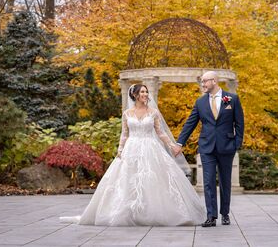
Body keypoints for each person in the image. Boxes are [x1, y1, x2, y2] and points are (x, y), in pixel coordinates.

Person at [60, 84, 205, 226]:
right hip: (132, 148)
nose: (145, 94)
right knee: (127, 180)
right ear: (135, 95)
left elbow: (160, 132)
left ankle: (152, 212)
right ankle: (129, 212)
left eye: (146, 92)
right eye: (142, 92)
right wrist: (120, 149)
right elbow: (124, 133)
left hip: (150, 148)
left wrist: (172, 145)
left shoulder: (153, 112)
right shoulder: (127, 113)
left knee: (153, 179)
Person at [173, 71, 244, 227]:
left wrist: (236, 144)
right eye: (202, 82)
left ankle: (225, 213)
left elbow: (239, 124)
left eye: (205, 81)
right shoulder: (200, 102)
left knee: (225, 181)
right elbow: (190, 124)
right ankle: (211, 216)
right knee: (208, 181)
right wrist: (179, 143)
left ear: (214, 81)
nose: (203, 84)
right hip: (206, 147)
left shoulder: (232, 99)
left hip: (227, 147)